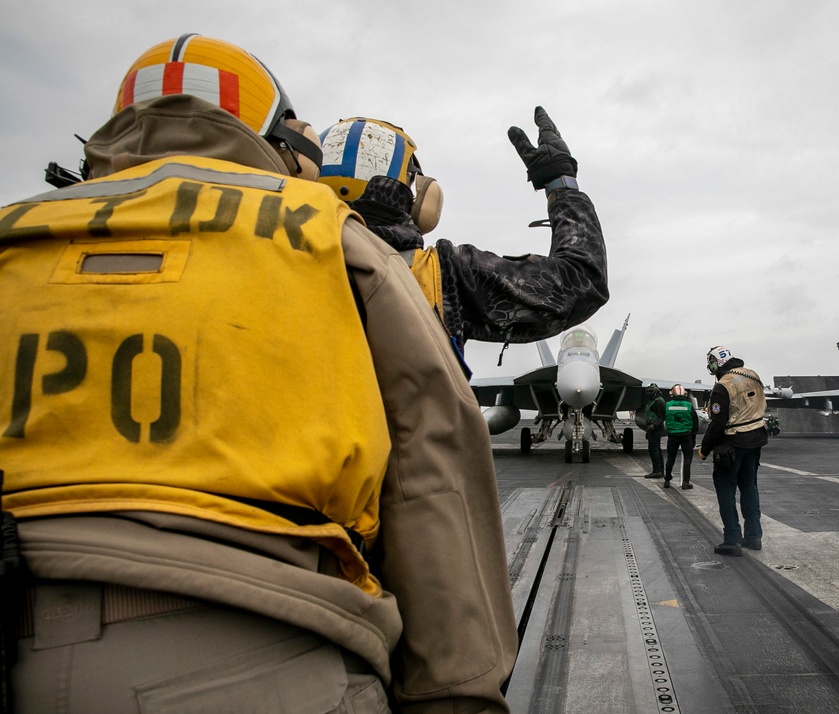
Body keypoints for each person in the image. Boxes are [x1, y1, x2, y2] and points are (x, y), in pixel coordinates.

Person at [0, 34, 516, 713]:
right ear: (276, 140)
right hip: (257, 644)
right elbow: (433, 468)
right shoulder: (331, 237)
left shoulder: (15, 233)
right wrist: (457, 693)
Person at [315, 112, 608, 364]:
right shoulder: (442, 277)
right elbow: (581, 282)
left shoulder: (276, 258)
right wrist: (561, 184)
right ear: (414, 193)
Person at [697, 346, 769, 557]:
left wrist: (704, 449)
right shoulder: (752, 375)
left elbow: (717, 423)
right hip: (755, 441)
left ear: (715, 363)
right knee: (749, 487)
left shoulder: (722, 386)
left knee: (726, 492)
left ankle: (732, 540)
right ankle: (754, 537)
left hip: (732, 445)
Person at [663, 384, 699, 490]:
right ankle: (685, 482)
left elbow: (662, 417)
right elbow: (695, 422)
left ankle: (667, 480)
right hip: (686, 436)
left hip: (673, 436)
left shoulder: (667, 405)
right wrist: (694, 437)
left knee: (670, 458)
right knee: (687, 459)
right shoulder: (688, 405)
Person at [643, 384, 666, 479]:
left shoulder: (659, 402)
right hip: (652, 428)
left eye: (651, 392)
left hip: (656, 429)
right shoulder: (652, 401)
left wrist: (654, 426)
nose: (649, 394)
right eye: (648, 392)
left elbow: (661, 418)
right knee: (657, 449)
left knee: (653, 450)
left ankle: (657, 471)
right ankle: (660, 471)